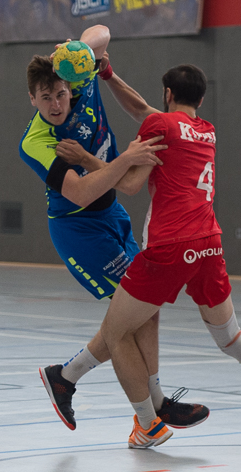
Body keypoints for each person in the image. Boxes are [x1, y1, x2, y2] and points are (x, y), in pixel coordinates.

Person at [95, 64, 241, 449]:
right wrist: (110, 76)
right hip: (209, 245)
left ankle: (146, 423)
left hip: (170, 246)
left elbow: (131, 178)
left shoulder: (161, 126)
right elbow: (142, 109)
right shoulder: (207, 131)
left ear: (168, 94)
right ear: (200, 98)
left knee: (116, 333)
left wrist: (89, 162)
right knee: (232, 337)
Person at [20, 25, 210, 432]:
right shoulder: (37, 141)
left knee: (147, 309)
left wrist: (77, 49)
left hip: (114, 215)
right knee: (125, 321)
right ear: (32, 99)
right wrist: (126, 159)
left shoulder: (80, 80)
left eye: (60, 94)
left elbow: (102, 34)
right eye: (45, 98)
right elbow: (81, 193)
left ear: (70, 86)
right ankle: (148, 416)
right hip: (79, 229)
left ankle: (72, 379)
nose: (56, 104)